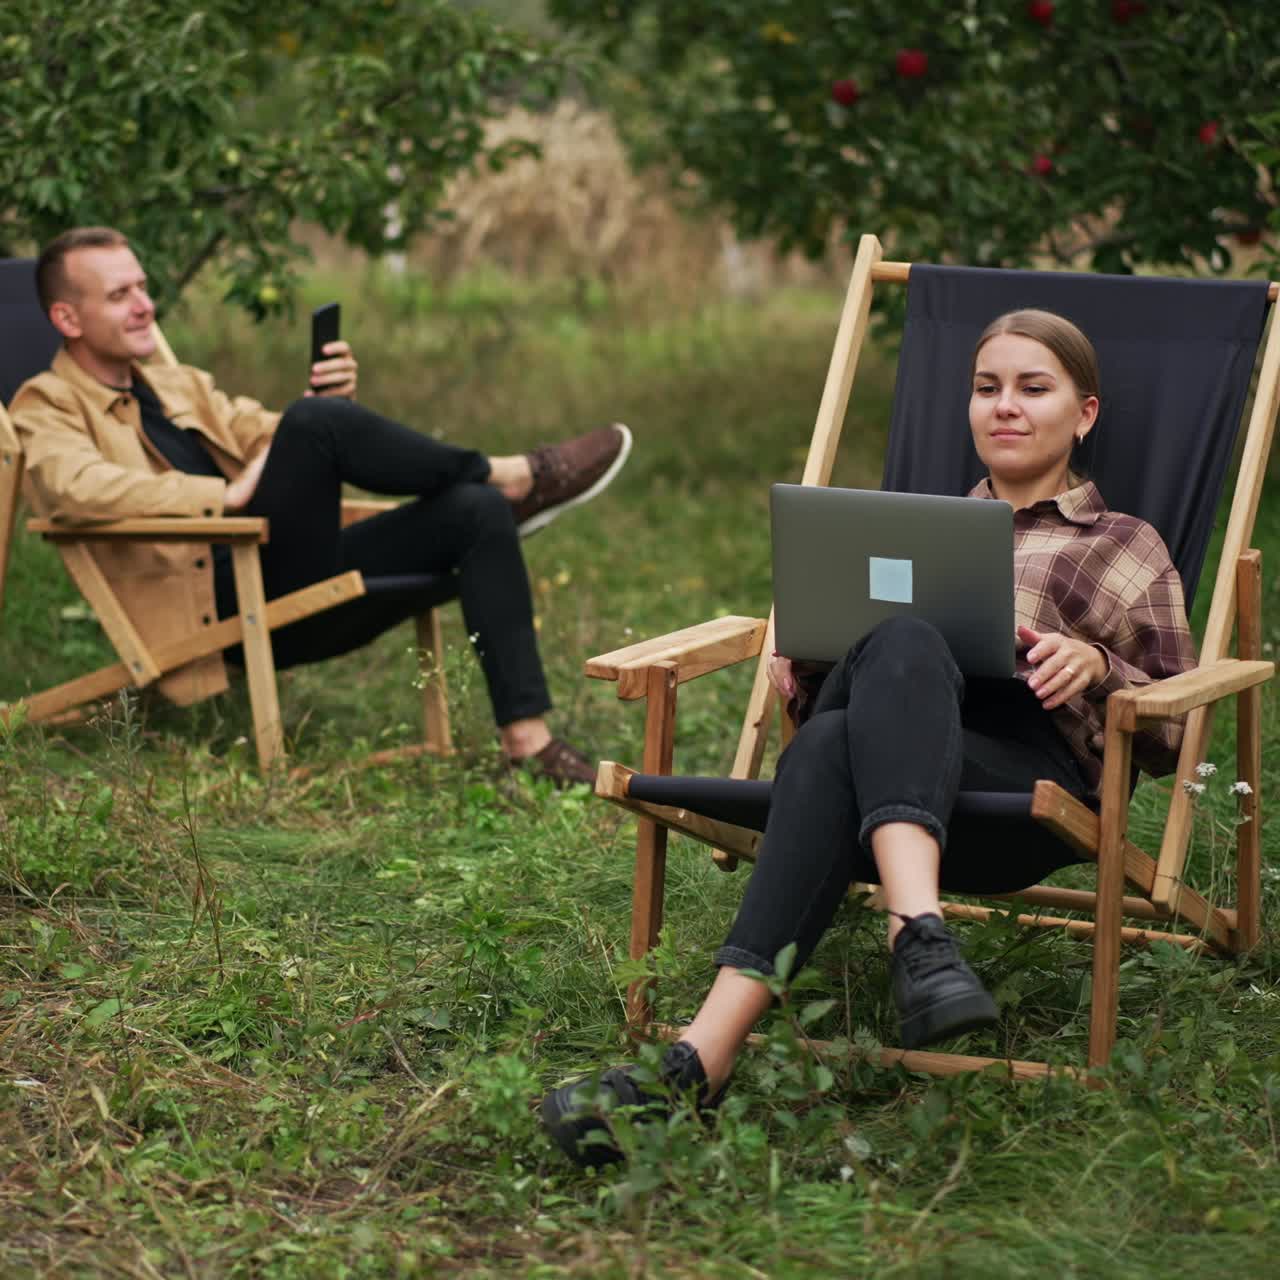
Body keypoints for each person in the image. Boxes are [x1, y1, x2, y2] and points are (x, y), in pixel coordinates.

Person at [540, 307, 1198, 1165]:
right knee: (899, 644)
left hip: (1018, 785)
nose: (1005, 405)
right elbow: (828, 679)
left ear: (1085, 413)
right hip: (899, 729)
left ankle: (693, 1067)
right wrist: (797, 629)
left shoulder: (1125, 546)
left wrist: (1100, 667)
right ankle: (918, 936)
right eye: (986, 388)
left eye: (1033, 388)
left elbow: (1178, 727)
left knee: (831, 741)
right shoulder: (903, 533)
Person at [11, 227, 632, 785]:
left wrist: (326, 411)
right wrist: (222, 494)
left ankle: (529, 744)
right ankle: (516, 475)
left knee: (472, 511)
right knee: (318, 425)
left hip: (280, 571)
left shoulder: (177, 385)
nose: (147, 305)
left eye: (144, 286)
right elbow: (77, 488)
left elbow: (268, 435)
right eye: (121, 294)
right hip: (219, 605)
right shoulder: (46, 405)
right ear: (67, 317)